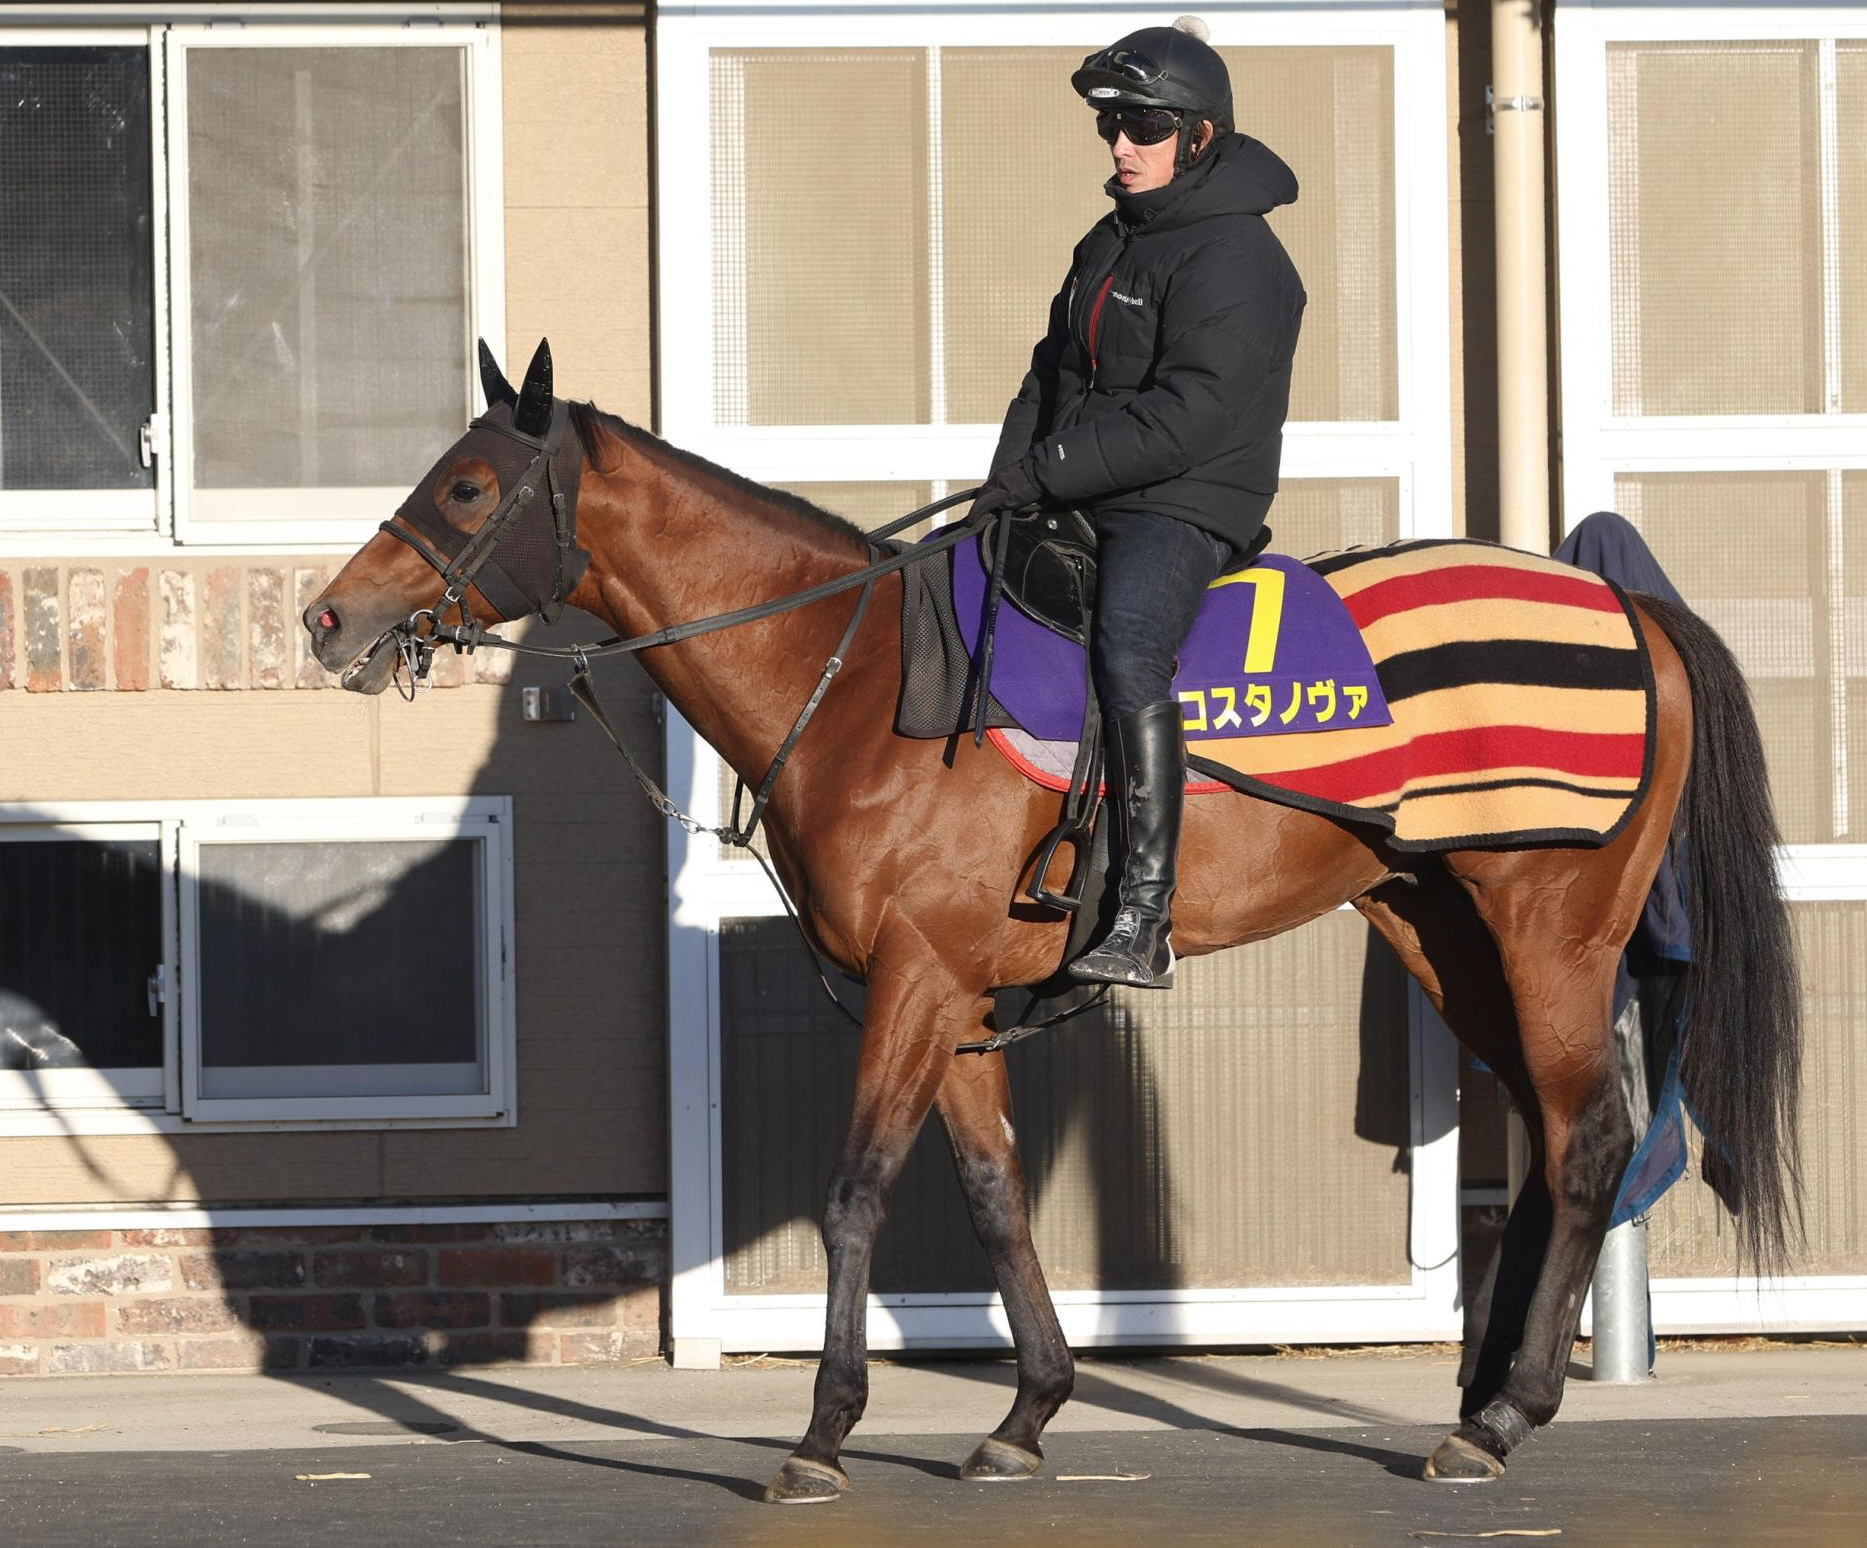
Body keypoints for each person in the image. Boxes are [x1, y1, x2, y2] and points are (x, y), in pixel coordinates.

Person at [970, 16, 1306, 990]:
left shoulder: (1239, 258)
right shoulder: (1111, 235)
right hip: (1084, 479)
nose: (1122, 144)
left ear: (1199, 136)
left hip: (1182, 501)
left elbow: (1188, 417)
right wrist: (1004, 480)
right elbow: (1049, 370)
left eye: (1144, 127)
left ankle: (1144, 916)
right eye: (1111, 126)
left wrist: (1050, 471)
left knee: (1126, 643)